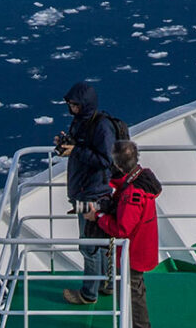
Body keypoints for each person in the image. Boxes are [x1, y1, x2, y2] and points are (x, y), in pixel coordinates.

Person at [53, 81, 119, 303]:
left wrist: (77, 151)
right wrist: (68, 146)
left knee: (89, 245)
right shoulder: (81, 122)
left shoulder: (101, 127)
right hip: (84, 190)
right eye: (70, 105)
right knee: (97, 243)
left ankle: (88, 293)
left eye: (75, 105)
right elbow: (84, 150)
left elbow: (106, 160)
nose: (72, 109)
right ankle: (105, 284)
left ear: (85, 105)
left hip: (93, 193)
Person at [88, 140, 162, 328]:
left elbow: (122, 229)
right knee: (136, 288)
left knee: (133, 293)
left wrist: (98, 216)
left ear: (119, 165)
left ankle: (140, 326)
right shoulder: (143, 180)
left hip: (134, 252)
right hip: (144, 246)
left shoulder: (133, 195)